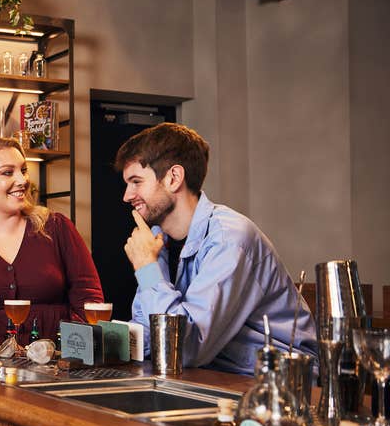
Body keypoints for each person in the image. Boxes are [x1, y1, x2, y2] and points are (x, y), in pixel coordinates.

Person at [116, 122, 315, 374]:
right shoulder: (157, 239)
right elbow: (149, 332)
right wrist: (103, 343)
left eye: (136, 181)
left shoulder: (230, 238)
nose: (126, 196)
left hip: (280, 381)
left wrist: (146, 267)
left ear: (173, 178)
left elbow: (184, 349)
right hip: (213, 373)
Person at [0, 136, 104, 349]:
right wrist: (5, 352)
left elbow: (89, 302)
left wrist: (69, 350)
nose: (22, 180)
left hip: (62, 363)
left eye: (23, 170)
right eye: (7, 172)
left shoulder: (56, 227)